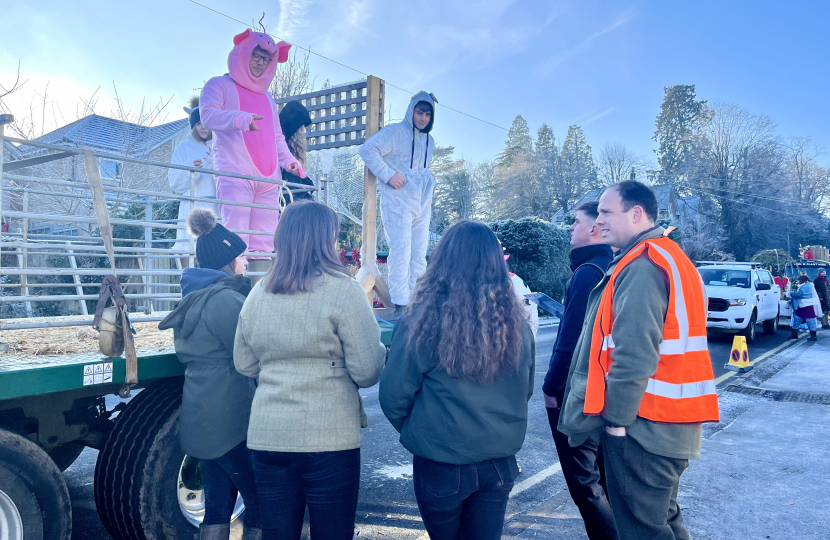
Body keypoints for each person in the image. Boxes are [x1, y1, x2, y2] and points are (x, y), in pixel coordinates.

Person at [559, 181, 719, 540]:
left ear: (636, 214)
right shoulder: (668, 256)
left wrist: (616, 422)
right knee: (662, 521)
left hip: (642, 428)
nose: (598, 221)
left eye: (605, 212)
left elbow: (634, 352)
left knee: (642, 530)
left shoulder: (643, 264)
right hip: (668, 424)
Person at [233, 201, 386, 540]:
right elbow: (366, 371)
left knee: (277, 532)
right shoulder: (343, 291)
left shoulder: (259, 292)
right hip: (329, 437)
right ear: (325, 240)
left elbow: (243, 363)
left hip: (268, 435)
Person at [379, 221, 535, 540]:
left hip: (441, 463)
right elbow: (526, 389)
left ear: (441, 260)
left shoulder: (421, 322)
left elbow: (394, 396)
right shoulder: (517, 324)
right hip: (499, 462)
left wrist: (423, 432)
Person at [158, 208, 260, 540]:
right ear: (227, 261)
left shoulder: (193, 299)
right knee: (261, 501)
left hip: (204, 416)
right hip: (231, 421)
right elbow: (250, 353)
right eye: (242, 257)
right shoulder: (225, 301)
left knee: (217, 505)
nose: (246, 263)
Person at [542, 201, 616, 540]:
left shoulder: (588, 273)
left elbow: (570, 339)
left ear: (595, 228)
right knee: (603, 475)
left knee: (584, 482)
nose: (571, 228)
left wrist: (550, 386)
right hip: (604, 387)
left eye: (576, 221)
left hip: (577, 391)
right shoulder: (614, 267)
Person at [200, 29, 304, 257]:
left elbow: (276, 137)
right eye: (256, 56)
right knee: (236, 239)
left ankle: (259, 290)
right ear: (243, 53)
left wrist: (289, 161)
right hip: (235, 174)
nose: (261, 63)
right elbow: (207, 116)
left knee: (265, 244)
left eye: (266, 59)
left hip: (268, 180)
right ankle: (236, 289)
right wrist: (241, 118)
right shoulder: (218, 85)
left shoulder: (268, 98)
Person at [359, 92, 438, 314]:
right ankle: (401, 304)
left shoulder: (429, 141)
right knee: (401, 251)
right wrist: (388, 174)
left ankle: (416, 302)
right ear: (411, 111)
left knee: (419, 253)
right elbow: (368, 150)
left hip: (422, 202)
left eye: (427, 114)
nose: (422, 118)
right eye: (419, 112)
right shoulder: (394, 132)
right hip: (398, 202)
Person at [168, 105, 216, 260]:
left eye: (206, 123)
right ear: (193, 126)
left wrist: (214, 164)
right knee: (189, 252)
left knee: (213, 251)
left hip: (215, 207)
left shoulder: (219, 147)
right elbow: (174, 182)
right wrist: (190, 169)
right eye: (198, 124)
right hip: (191, 207)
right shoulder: (184, 148)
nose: (203, 128)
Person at [278, 100, 315, 203]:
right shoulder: (283, 150)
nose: (303, 131)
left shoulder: (290, 150)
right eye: (302, 127)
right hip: (286, 199)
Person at [787, 274, 823, 341]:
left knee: (800, 321)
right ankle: (812, 336)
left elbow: (800, 294)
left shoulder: (806, 286)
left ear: (802, 280)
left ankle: (795, 335)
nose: (798, 282)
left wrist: (791, 293)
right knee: (808, 322)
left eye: (798, 280)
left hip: (805, 306)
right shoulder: (808, 285)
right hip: (806, 307)